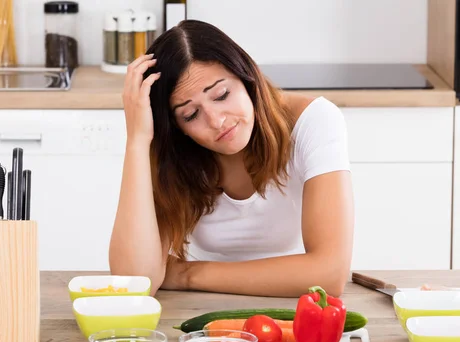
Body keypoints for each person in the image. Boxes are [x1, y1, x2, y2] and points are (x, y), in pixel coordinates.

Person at [109, 20, 354, 298]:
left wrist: (188, 274)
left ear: (247, 77)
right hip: (201, 312)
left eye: (222, 95)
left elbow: (329, 276)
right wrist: (137, 141)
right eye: (191, 115)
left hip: (298, 309)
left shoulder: (314, 121)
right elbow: (133, 283)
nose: (216, 121)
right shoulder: (174, 151)